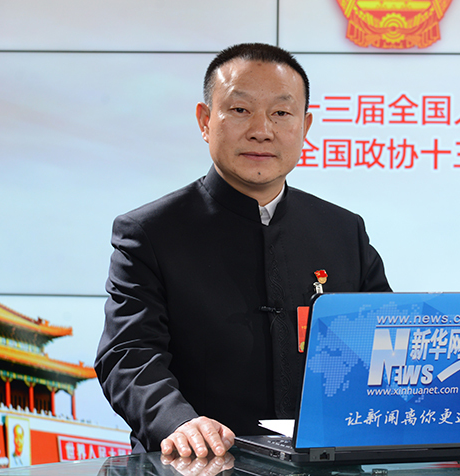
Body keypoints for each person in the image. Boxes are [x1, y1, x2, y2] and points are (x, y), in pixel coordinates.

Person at [94, 43, 390, 459]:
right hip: (200, 463)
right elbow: (129, 356)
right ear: (205, 120)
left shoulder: (343, 231)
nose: (261, 130)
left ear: (305, 126)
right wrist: (177, 422)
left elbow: (385, 340)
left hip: (323, 462)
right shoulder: (149, 232)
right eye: (240, 110)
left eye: (281, 113)